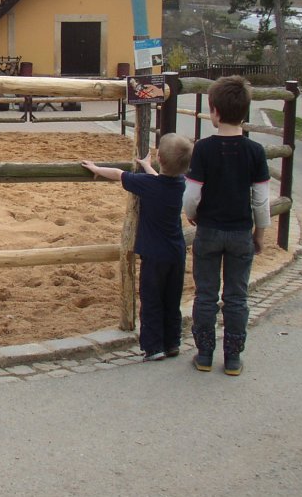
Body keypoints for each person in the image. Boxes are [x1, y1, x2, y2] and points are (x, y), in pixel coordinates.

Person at [182, 76, 271, 377]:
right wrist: (260, 233)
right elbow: (261, 200)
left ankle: (205, 354)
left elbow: (192, 195)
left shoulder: (203, 149)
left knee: (206, 294)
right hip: (240, 232)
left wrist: (192, 214)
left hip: (208, 230)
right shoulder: (255, 151)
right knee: (236, 296)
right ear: (244, 111)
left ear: (215, 111)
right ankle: (232, 357)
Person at [81, 132, 193, 361]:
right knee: (172, 299)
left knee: (151, 300)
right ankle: (172, 342)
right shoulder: (180, 184)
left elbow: (118, 174)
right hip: (176, 252)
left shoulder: (147, 184)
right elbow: (160, 179)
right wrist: (148, 166)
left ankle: (153, 347)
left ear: (159, 158)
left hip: (154, 254)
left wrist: (96, 168)